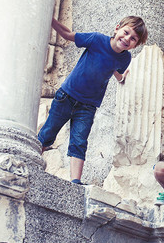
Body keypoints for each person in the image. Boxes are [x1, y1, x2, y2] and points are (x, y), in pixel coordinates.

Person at [38, 16, 148, 185]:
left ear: (136, 44)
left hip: (88, 106)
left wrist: (120, 78)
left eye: (133, 39)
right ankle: (31, 161)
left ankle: (75, 181)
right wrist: (50, 19)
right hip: (67, 96)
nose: (127, 39)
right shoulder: (96, 39)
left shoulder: (125, 59)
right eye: (126, 32)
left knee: (79, 141)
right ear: (117, 28)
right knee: (48, 133)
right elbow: (68, 34)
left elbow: (113, 68)